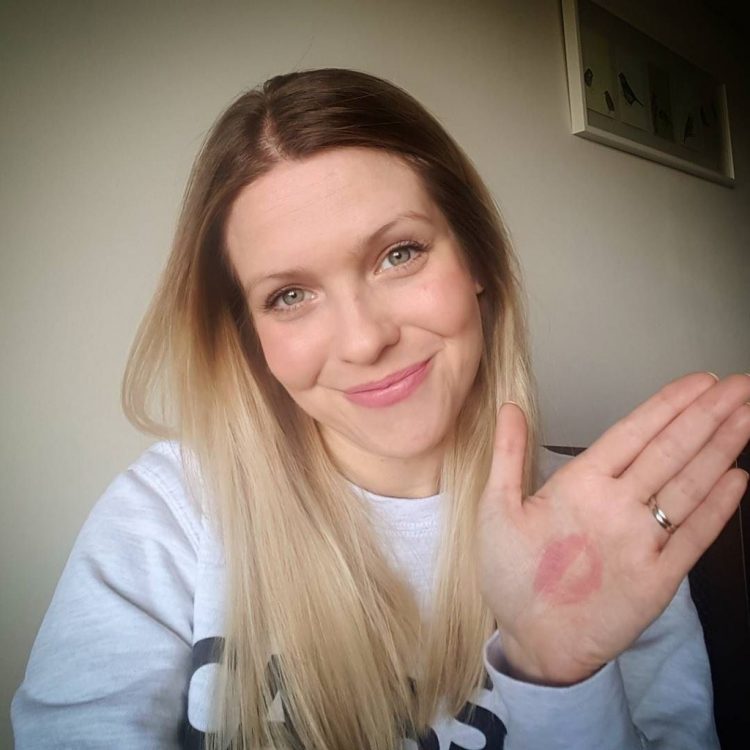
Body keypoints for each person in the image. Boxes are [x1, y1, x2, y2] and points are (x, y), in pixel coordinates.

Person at [11, 68, 750, 750]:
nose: (365, 340)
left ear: (480, 264)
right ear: (250, 338)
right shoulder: (171, 513)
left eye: (399, 253)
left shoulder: (602, 528)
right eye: (289, 296)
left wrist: (556, 674)